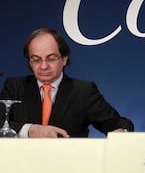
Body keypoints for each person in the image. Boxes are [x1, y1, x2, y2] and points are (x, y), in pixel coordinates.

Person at [0, 28, 134, 138]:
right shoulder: (15, 86)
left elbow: (116, 123)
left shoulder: (83, 91)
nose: (43, 66)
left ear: (64, 59)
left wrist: (121, 132)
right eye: (36, 60)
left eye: (51, 59)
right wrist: (30, 130)